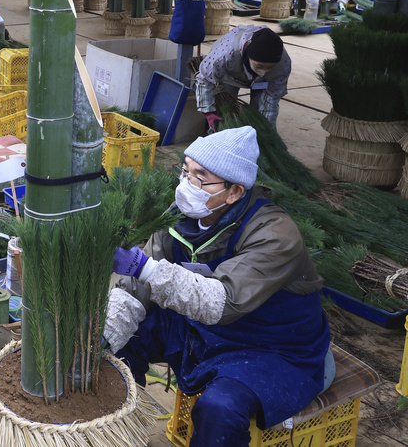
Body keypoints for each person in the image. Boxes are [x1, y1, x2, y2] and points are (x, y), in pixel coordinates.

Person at [106, 126, 331, 447]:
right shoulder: (179, 217)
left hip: (270, 347)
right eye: (185, 171)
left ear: (235, 192)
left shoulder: (275, 234)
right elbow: (135, 289)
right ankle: (122, 435)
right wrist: (105, 337)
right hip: (203, 329)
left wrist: (146, 268)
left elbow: (221, 303)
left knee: (220, 408)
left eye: (200, 177)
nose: (186, 184)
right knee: (121, 347)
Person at [195, 25, 291, 130]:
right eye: (260, 66)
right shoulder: (224, 55)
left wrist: (267, 129)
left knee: (258, 109)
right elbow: (204, 80)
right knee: (226, 108)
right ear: (249, 56)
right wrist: (208, 112)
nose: (263, 72)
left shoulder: (283, 64)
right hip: (230, 74)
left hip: (263, 83)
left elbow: (271, 100)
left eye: (269, 67)